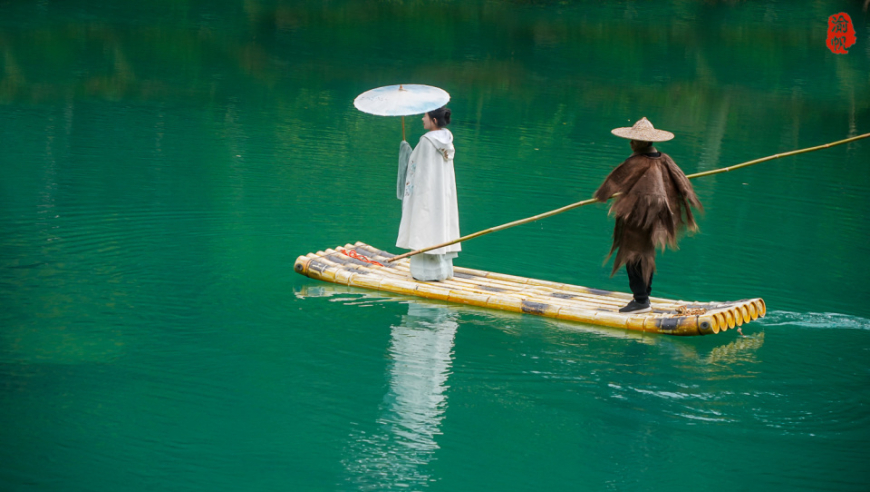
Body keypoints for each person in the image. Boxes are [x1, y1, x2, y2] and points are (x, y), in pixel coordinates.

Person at [594, 117, 702, 313]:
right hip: (658, 216)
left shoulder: (636, 161)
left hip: (638, 216)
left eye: (632, 141)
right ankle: (644, 297)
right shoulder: (665, 159)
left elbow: (613, 182)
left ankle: (641, 301)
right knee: (645, 253)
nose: (630, 143)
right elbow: (682, 182)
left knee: (633, 253)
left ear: (637, 142)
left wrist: (601, 196)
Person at [396, 107, 460, 281]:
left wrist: (405, 152)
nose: (422, 119)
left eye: (425, 116)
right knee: (439, 225)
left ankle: (424, 273)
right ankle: (441, 271)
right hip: (442, 195)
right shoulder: (447, 139)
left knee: (424, 225)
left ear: (434, 120)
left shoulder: (426, 141)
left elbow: (419, 170)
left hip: (427, 194)